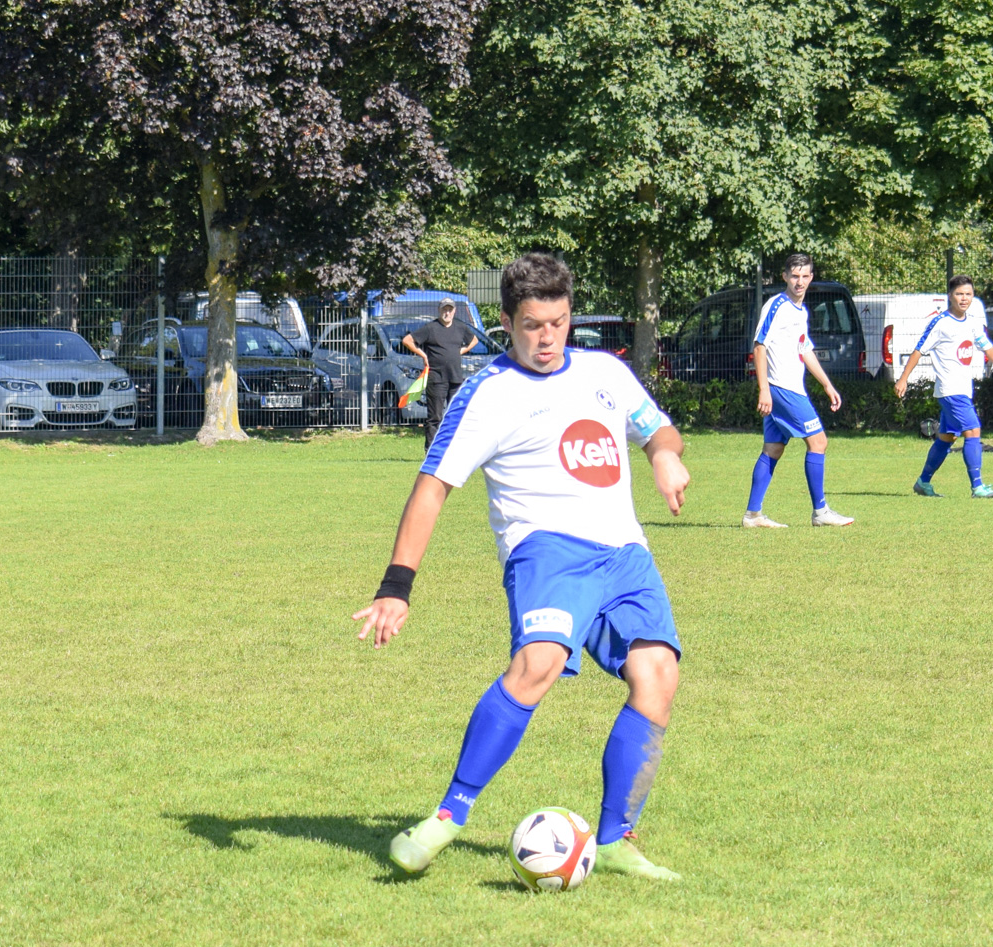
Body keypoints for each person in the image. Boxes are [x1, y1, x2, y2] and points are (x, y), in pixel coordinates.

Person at [355, 253, 691, 882]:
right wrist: (396, 587)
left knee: (658, 676)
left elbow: (659, 430)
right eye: (533, 325)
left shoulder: (605, 372)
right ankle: (449, 815)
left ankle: (615, 838)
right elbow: (432, 487)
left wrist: (663, 456)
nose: (547, 338)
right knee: (539, 664)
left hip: (625, 553)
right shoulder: (489, 394)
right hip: (547, 550)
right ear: (507, 323)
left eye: (559, 323)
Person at [742, 253, 853, 528]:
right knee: (819, 442)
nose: (799, 281)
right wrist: (764, 390)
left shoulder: (801, 311)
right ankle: (821, 512)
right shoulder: (777, 306)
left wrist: (827, 384)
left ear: (811, 277)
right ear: (785, 277)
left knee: (773, 448)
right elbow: (759, 346)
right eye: (794, 276)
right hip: (783, 389)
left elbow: (804, 349)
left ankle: (753, 515)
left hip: (787, 388)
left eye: (804, 276)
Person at [896, 274, 993, 498]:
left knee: (947, 437)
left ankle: (923, 482)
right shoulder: (941, 323)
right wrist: (903, 378)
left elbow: (988, 348)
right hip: (950, 389)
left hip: (962, 389)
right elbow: (918, 350)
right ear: (950, 296)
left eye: (968, 294)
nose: (964, 298)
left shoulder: (972, 322)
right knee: (973, 430)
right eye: (959, 294)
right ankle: (977, 487)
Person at [401, 299, 479, 450]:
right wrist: (423, 355)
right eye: (444, 309)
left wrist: (460, 351)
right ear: (439, 310)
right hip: (436, 378)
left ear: (454, 311)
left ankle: (453, 449)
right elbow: (407, 340)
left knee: (455, 416)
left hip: (455, 378)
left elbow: (474, 340)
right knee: (435, 417)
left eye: (450, 310)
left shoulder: (461, 327)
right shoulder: (431, 328)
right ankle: (431, 451)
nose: (447, 313)